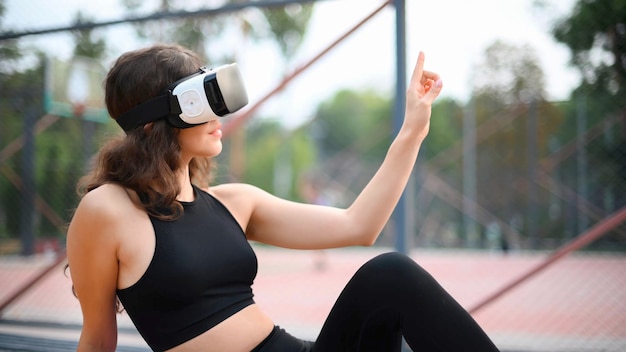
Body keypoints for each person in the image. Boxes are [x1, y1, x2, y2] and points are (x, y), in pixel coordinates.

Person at [66, 43, 499, 352]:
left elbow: (359, 225)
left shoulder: (234, 202)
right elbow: (98, 340)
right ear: (151, 121)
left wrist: (413, 131)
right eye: (201, 100)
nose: (219, 114)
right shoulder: (107, 210)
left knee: (391, 274)